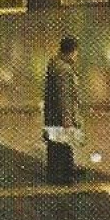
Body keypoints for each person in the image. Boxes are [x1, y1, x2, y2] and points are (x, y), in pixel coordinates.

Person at [42, 36, 84, 185]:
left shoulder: (54, 63)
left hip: (53, 112)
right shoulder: (64, 69)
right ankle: (61, 175)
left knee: (57, 143)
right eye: (76, 52)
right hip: (60, 114)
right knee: (62, 143)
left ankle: (65, 170)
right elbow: (64, 94)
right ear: (72, 51)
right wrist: (67, 117)